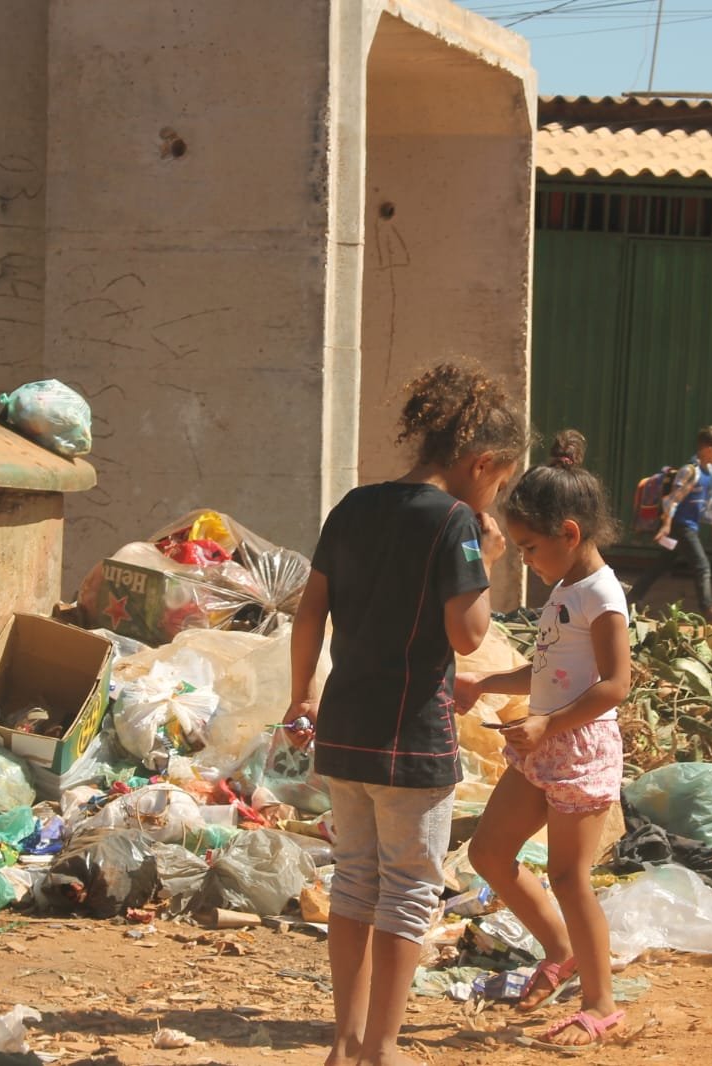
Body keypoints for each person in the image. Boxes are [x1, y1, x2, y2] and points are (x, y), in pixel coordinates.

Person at [286, 363, 526, 1066]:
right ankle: (384, 1048)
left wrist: (301, 693)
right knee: (410, 892)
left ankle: (344, 1041)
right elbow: (469, 635)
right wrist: (485, 556)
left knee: (355, 879)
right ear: (482, 463)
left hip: (345, 726)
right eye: (502, 483)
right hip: (411, 738)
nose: (497, 497)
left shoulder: (354, 504)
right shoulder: (455, 523)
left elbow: (309, 611)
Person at [455, 429, 632, 1049]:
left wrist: (548, 724)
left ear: (570, 535)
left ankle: (602, 1004)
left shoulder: (603, 596)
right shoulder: (563, 590)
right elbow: (548, 670)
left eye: (529, 548)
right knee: (488, 855)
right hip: (542, 747)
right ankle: (560, 950)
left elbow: (614, 686)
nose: (525, 560)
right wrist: (484, 682)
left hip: (579, 749)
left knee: (569, 876)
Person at [626, 425, 712, 622]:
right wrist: (666, 526)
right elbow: (671, 500)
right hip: (680, 527)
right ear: (708, 450)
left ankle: (632, 598)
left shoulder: (711, 472)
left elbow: (707, 503)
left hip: (685, 527)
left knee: (662, 563)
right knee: (702, 565)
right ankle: (708, 608)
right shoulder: (690, 472)